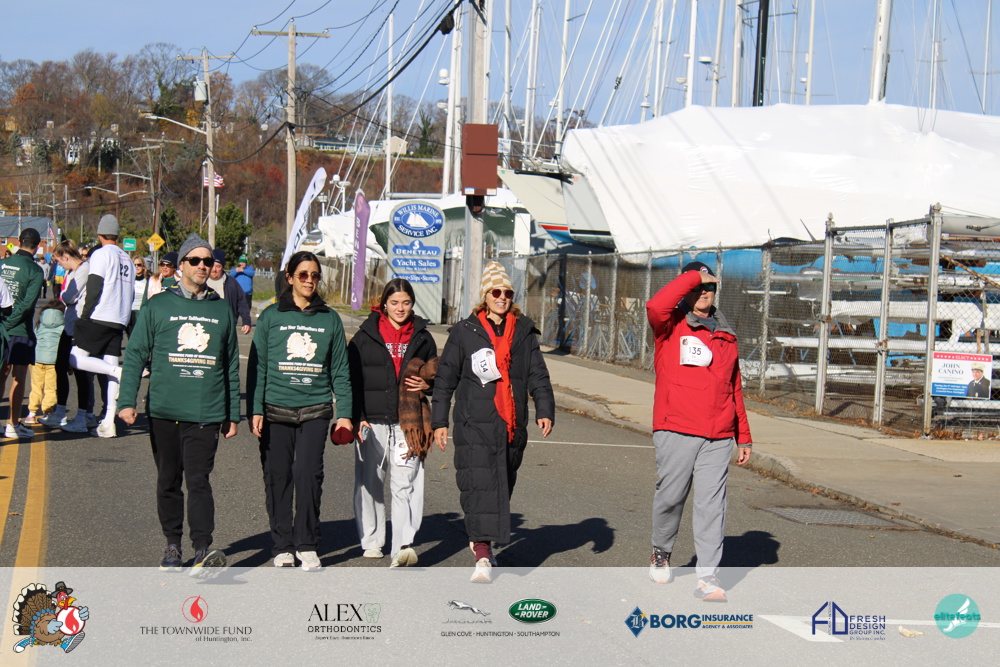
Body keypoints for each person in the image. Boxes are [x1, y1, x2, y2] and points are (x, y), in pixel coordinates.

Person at [118, 233, 240, 576]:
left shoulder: (221, 308)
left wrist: (233, 414)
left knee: (199, 479)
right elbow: (136, 354)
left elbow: (230, 364)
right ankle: (172, 544)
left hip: (206, 411)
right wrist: (127, 400)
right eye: (195, 260)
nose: (203, 266)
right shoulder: (158, 305)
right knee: (168, 480)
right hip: (164, 410)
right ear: (181, 265)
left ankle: (202, 548)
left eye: (208, 261)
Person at [432, 262, 554, 583]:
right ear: (485, 296)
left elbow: (537, 374)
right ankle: (483, 553)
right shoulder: (465, 332)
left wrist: (544, 408)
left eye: (507, 293)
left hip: (511, 424)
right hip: (474, 422)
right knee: (480, 484)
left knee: (501, 485)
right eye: (496, 292)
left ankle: (484, 541)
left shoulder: (523, 332)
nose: (502, 297)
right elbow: (445, 379)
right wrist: (439, 421)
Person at [645, 261, 753, 602]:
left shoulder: (726, 333)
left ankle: (707, 576)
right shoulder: (670, 324)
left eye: (709, 287)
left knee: (712, 506)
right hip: (676, 427)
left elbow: (734, 386)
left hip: (718, 434)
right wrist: (694, 276)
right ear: (685, 288)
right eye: (697, 287)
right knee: (671, 497)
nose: (704, 292)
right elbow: (655, 305)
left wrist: (743, 434)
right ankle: (661, 551)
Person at [247, 251, 353, 571]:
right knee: (278, 477)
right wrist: (255, 408)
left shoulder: (329, 319)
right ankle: (282, 545)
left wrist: (344, 414)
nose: (310, 280)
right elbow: (258, 367)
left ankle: (306, 543)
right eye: (303, 274)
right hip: (275, 410)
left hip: (315, 411)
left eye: (315, 275)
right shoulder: (271, 316)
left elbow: (340, 371)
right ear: (289, 277)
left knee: (308, 475)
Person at [348, 278, 438, 567]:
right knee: (370, 483)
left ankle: (402, 546)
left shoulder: (423, 338)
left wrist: (428, 386)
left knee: (406, 484)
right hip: (371, 422)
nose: (400, 308)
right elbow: (352, 380)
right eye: (395, 302)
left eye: (406, 303)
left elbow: (439, 375)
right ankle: (372, 541)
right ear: (384, 304)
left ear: (413, 304)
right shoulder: (365, 335)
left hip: (408, 423)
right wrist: (357, 417)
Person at [69, 214, 135, 438]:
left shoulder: (101, 254)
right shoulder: (127, 258)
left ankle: (117, 371)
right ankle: (108, 422)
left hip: (100, 315)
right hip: (119, 317)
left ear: (99, 234)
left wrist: (84, 315)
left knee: (75, 358)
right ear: (117, 235)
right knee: (110, 367)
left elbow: (94, 286)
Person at [40, 240, 96, 430]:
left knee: (80, 371)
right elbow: (65, 295)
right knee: (60, 366)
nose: (59, 265)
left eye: (59, 261)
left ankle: (82, 415)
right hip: (69, 325)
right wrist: (65, 296)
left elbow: (68, 296)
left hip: (81, 326)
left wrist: (65, 296)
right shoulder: (72, 272)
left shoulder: (84, 270)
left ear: (66, 257)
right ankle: (60, 411)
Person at [0, 228, 45, 439]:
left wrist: (4, 322)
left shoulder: (2, 264)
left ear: (18, 242)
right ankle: (13, 423)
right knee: (18, 378)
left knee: (1, 374)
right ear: (38, 246)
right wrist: (11, 322)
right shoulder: (35, 270)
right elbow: (27, 304)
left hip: (1, 326)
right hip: (20, 329)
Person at [24, 300, 64, 426]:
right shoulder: (63, 327)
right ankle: (47, 412)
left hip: (37, 359)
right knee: (51, 388)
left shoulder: (40, 326)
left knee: (36, 386)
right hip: (54, 361)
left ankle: (31, 413)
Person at [208, 250, 251, 335]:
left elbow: (242, 303)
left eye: (218, 266)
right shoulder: (202, 282)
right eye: (212, 265)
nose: (214, 269)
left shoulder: (231, 283)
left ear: (222, 267)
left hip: (226, 326)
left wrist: (246, 321)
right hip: (206, 326)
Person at [128, 253, 149, 337]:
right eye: (134, 265)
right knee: (131, 336)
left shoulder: (148, 280)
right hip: (130, 312)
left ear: (143, 266)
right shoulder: (129, 279)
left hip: (141, 312)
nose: (136, 267)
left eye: (139, 265)